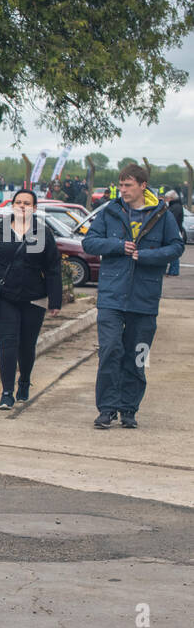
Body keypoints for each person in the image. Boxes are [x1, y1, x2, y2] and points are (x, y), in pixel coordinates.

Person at [82, 163, 184, 429]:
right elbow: (89, 242)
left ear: (142, 185)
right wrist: (117, 246)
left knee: (137, 355)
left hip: (144, 298)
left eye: (128, 185)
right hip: (112, 297)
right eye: (120, 185)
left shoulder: (162, 215)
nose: (122, 190)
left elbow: (177, 246)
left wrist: (148, 255)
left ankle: (129, 409)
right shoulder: (110, 211)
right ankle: (106, 409)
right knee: (110, 350)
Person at [0, 188, 62, 408]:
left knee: (26, 346)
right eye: (18, 202)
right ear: (12, 205)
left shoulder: (43, 233)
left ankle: (25, 381)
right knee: (8, 344)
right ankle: (7, 392)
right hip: (5, 297)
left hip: (34, 298)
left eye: (27, 203)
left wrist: (55, 300)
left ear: (35, 208)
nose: (22, 206)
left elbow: (53, 269)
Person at [163, 190, 184, 276]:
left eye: (167, 198)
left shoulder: (175, 207)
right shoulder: (176, 206)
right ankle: (173, 270)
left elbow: (172, 220)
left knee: (173, 251)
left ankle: (174, 271)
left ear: (171, 198)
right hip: (175, 231)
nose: (166, 200)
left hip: (173, 232)